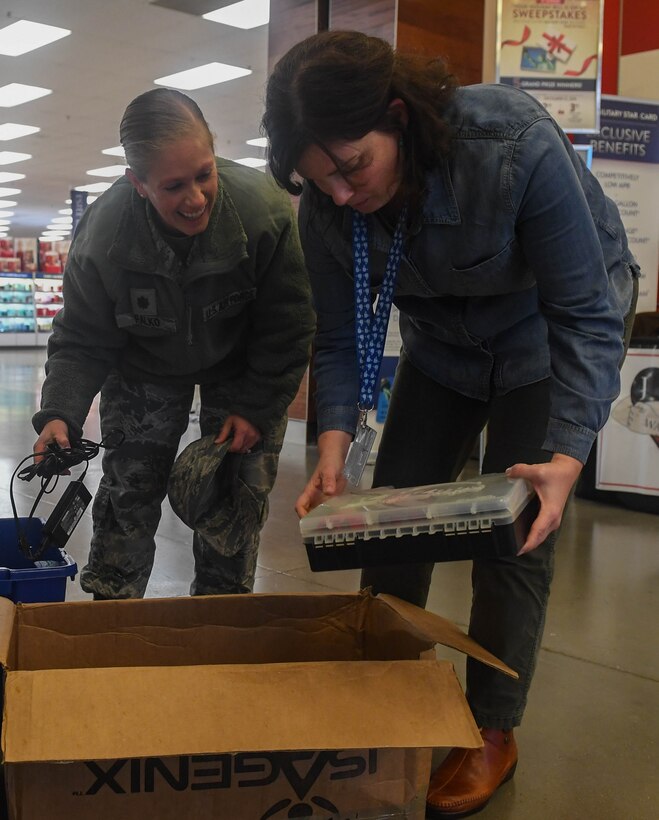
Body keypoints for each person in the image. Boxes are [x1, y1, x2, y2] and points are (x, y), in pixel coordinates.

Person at [262, 30, 639, 818]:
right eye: (316, 177)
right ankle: (389, 693)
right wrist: (333, 447)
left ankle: (490, 730)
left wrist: (568, 453)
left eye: (351, 166)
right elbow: (334, 338)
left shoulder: (508, 145)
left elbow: (586, 314)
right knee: (389, 520)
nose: (337, 193)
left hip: (544, 334)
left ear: (397, 117)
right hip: (443, 348)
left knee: (516, 531)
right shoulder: (328, 207)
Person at [33, 88, 314, 600]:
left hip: (241, 366)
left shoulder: (263, 214)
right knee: (128, 492)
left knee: (235, 492)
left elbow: (289, 324)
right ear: (137, 184)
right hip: (143, 364)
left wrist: (255, 408)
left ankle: (221, 616)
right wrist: (60, 412)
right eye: (173, 185)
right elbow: (80, 339)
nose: (196, 198)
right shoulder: (103, 238)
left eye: (205, 174)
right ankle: (113, 617)